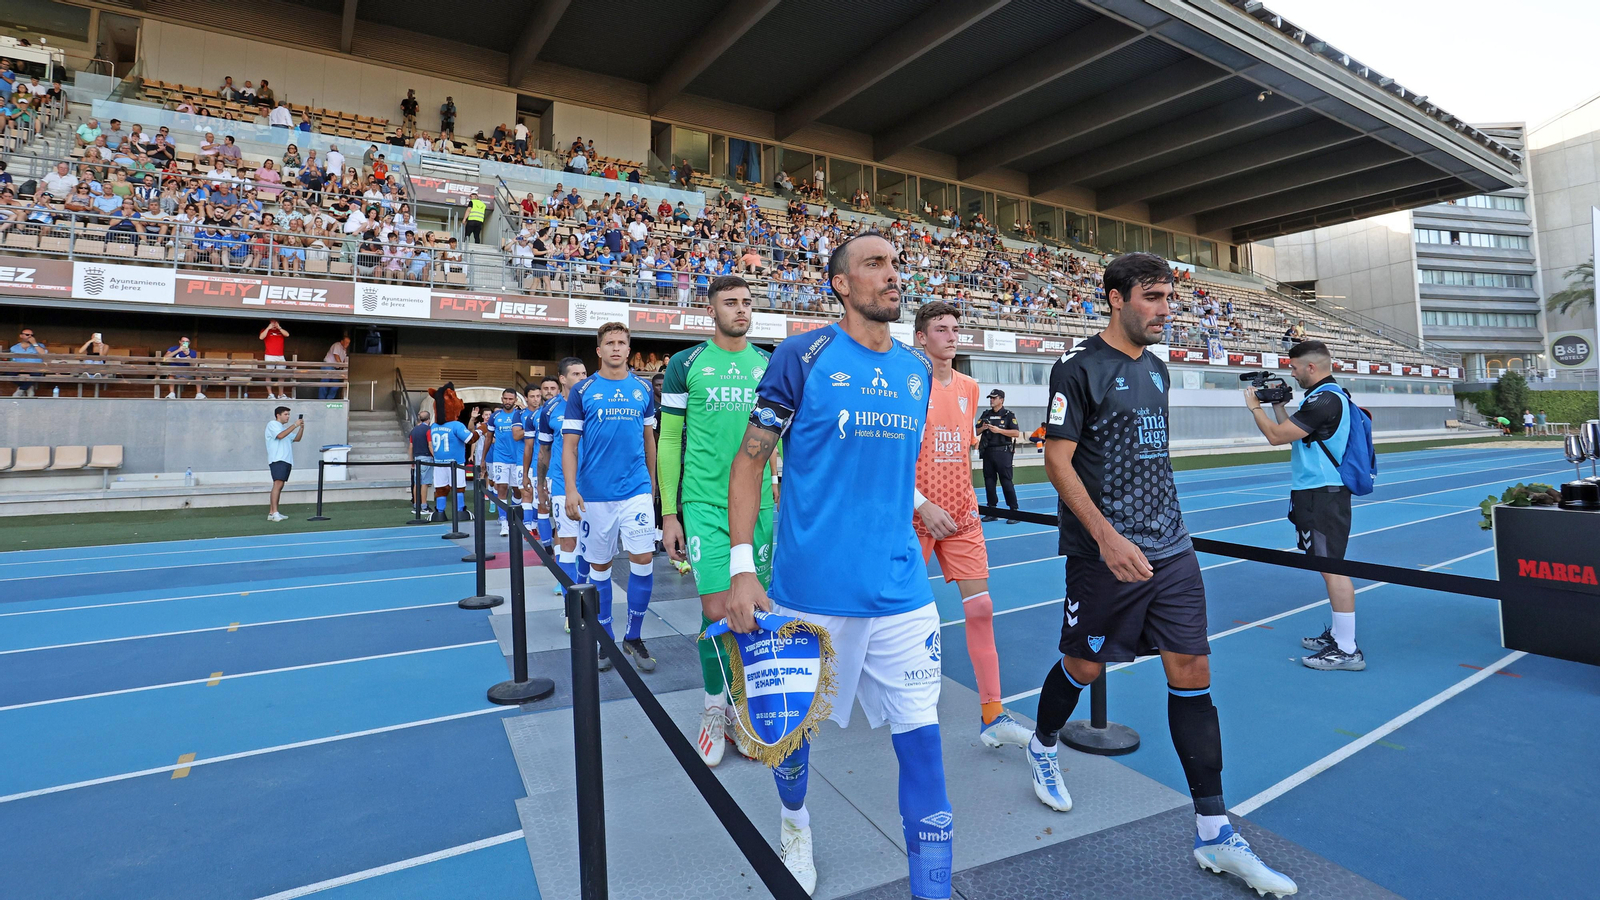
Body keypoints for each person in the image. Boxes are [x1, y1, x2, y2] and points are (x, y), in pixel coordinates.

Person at [1032, 252, 1296, 896]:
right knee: (1085, 666)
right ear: (1116, 298)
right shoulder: (1077, 370)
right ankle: (1043, 746)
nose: (1165, 310)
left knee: (1193, 673)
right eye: (1152, 297)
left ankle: (1214, 833)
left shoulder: (1158, 369)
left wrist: (1160, 531)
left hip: (1172, 551)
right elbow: (1058, 463)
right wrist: (1107, 537)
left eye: (1168, 299)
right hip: (1106, 555)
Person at [727, 232, 949, 898]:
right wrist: (743, 569)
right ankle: (795, 824)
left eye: (896, 265)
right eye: (875, 264)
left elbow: (890, 470)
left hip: (900, 594)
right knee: (789, 741)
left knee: (924, 750)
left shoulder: (915, 371)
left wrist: (919, 504)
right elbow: (750, 460)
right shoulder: (803, 356)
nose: (892, 275)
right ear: (842, 285)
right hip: (807, 593)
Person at [658, 275, 773, 766]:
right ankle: (713, 708)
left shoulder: (768, 364)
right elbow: (667, 442)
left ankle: (742, 710)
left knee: (752, 611)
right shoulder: (685, 365)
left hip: (761, 506)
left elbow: (778, 436)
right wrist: (669, 513)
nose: (741, 310)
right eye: (731, 303)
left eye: (747, 303)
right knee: (715, 610)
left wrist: (780, 489)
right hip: (704, 504)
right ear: (711, 311)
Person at [911, 300, 1034, 749]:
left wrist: (963, 502)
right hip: (914, 516)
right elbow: (891, 458)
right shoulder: (907, 385)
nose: (951, 335)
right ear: (920, 337)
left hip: (961, 515)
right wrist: (923, 504)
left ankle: (992, 714)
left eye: (955, 328)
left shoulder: (969, 386)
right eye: (941, 328)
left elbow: (959, 452)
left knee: (981, 609)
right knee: (900, 616)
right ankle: (893, 701)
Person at [1243, 340, 1363, 672]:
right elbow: (1293, 432)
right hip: (1316, 492)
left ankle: (1348, 649)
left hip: (1324, 493)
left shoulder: (1325, 400)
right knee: (1327, 566)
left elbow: (1277, 437)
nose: (1291, 373)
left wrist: (1255, 406)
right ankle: (1339, 637)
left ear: (1311, 367)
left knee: (1333, 568)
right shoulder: (1323, 396)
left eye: (1294, 367)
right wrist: (1280, 406)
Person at [563, 322, 658, 672]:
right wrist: (571, 489)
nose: (617, 348)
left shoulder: (643, 389)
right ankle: (606, 638)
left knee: (643, 558)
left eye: (622, 342)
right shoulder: (583, 391)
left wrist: (652, 484)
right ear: (599, 351)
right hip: (596, 495)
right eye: (610, 343)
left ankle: (634, 636)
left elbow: (649, 439)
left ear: (629, 350)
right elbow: (570, 447)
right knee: (600, 568)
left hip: (635, 491)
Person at [535, 358, 590, 607]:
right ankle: (572, 606)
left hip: (594, 485)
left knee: (591, 545)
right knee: (568, 541)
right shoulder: (549, 410)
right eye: (576, 374)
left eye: (584, 373)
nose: (582, 377)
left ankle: (587, 591)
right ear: (563, 379)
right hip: (562, 485)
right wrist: (540, 484)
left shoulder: (595, 401)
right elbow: (544, 452)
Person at [484, 388, 526, 538]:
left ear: (515, 400)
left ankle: (514, 517)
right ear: (502, 399)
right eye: (505, 399)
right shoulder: (495, 416)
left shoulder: (521, 414)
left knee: (518, 490)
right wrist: (483, 459)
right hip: (500, 458)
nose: (508, 401)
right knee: (501, 487)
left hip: (518, 459)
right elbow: (488, 438)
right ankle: (504, 522)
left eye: (511, 399)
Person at [976, 388, 1021, 522]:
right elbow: (977, 431)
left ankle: (1014, 511)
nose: (991, 400)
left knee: (1006, 481)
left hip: (1003, 452)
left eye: (994, 398)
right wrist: (983, 428)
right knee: (989, 482)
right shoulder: (985, 414)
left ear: (1001, 400)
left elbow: (1016, 433)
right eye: (990, 398)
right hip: (988, 451)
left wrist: (999, 430)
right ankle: (992, 510)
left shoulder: (1008, 415)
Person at [429, 406, 480, 521]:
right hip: (455, 462)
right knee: (458, 487)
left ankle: (440, 512)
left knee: (441, 487)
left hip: (439, 463)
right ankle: (460, 511)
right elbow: (470, 439)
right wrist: (481, 430)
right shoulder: (456, 425)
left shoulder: (434, 426)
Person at [266, 406, 305, 521]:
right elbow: (280, 436)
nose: (288, 416)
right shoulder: (272, 424)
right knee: (277, 484)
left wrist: (301, 428)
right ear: (278, 415)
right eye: (285, 414)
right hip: (277, 459)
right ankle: (274, 513)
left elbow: (297, 439)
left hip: (286, 460)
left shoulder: (284, 428)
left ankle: (272, 512)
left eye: (288, 414)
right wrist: (295, 425)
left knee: (280, 485)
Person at [8, 327, 47, 396]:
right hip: (19, 368)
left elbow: (44, 354)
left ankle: (21, 390)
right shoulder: (14, 347)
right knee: (8, 373)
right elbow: (12, 360)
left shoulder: (39, 346)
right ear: (21, 336)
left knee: (38, 374)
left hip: (35, 368)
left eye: (32, 335)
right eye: (27, 335)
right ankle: (29, 387)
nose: (30, 337)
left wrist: (34, 343)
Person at [409, 409, 434, 509]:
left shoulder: (414, 430)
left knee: (417, 482)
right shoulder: (428, 430)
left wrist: (412, 461)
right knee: (425, 483)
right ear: (429, 419)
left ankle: (416, 504)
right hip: (426, 457)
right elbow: (430, 445)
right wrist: (435, 457)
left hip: (416, 458)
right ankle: (424, 505)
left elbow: (411, 447)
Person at [259, 319, 291, 399]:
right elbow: (261, 337)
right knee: (269, 375)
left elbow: (287, 335)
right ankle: (270, 394)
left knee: (281, 375)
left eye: (275, 322)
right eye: (272, 322)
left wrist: (279, 328)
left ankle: (280, 394)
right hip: (270, 355)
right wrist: (268, 328)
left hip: (280, 356)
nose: (274, 324)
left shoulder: (280, 331)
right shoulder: (265, 330)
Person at [319, 334, 349, 400]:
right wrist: (342, 366)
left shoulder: (344, 351)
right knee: (325, 383)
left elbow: (343, 360)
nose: (347, 344)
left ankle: (329, 400)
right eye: (346, 342)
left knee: (336, 385)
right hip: (328, 365)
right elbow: (336, 356)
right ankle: (321, 400)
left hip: (335, 368)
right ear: (342, 341)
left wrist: (342, 368)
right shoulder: (337, 345)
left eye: (348, 343)